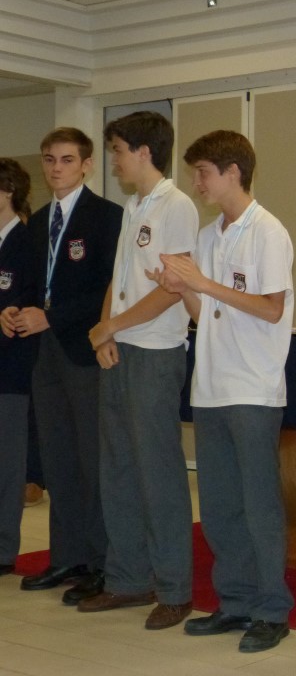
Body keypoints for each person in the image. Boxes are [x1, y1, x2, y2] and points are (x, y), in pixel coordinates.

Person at [148, 129, 294, 653]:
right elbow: (204, 312)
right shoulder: (209, 236)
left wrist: (204, 284)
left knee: (259, 505)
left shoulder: (268, 231)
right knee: (218, 505)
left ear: (233, 172)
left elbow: (271, 308)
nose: (197, 183)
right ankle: (234, 601)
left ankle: (272, 610)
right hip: (210, 385)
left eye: (204, 173)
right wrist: (182, 288)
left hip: (252, 386)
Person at [75, 112, 199, 629]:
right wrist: (106, 331)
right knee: (119, 469)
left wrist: (114, 326)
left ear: (145, 152)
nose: (114, 160)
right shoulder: (133, 206)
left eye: (119, 150)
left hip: (154, 352)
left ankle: (174, 588)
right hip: (121, 350)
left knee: (157, 472)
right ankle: (128, 578)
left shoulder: (177, 205)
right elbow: (120, 278)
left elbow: (172, 289)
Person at [2, 128, 121, 605]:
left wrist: (52, 316)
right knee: (56, 457)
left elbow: (109, 289)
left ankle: (102, 562)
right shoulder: (37, 223)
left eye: (67, 160)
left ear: (87, 165)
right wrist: (16, 309)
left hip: (84, 348)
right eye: (49, 160)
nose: (56, 168)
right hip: (43, 351)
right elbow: (32, 285)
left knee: (91, 457)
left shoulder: (106, 217)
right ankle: (67, 556)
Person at [0, 158, 35, 577]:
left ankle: (4, 548)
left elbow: (27, 301)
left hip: (11, 368)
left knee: (7, 463)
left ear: (7, 191)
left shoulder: (27, 242)